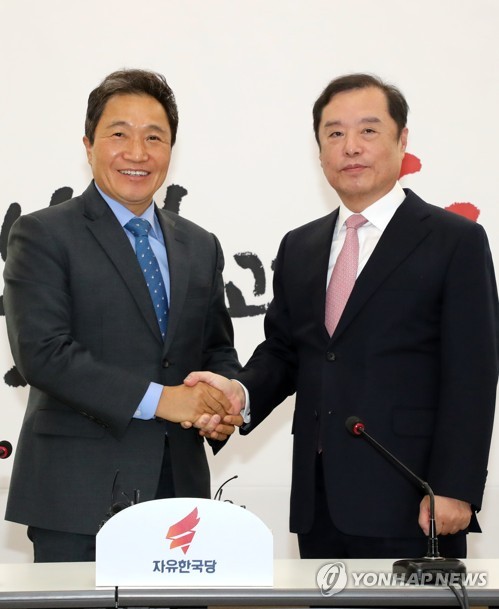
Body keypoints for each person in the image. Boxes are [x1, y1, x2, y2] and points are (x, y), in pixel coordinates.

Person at [185, 73, 499, 559]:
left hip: (414, 497)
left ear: (403, 141)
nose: (351, 146)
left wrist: (454, 487)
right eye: (334, 133)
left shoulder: (454, 240)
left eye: (368, 130)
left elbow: (473, 374)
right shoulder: (300, 245)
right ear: (319, 151)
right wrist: (240, 394)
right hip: (320, 501)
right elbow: (286, 352)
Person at [3, 68, 240, 562]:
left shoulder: (200, 244)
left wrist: (220, 402)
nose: (137, 153)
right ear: (88, 145)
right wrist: (163, 400)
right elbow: (42, 353)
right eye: (119, 135)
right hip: (77, 496)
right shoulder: (42, 234)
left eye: (154, 137)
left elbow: (216, 348)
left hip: (179, 494)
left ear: (171, 150)